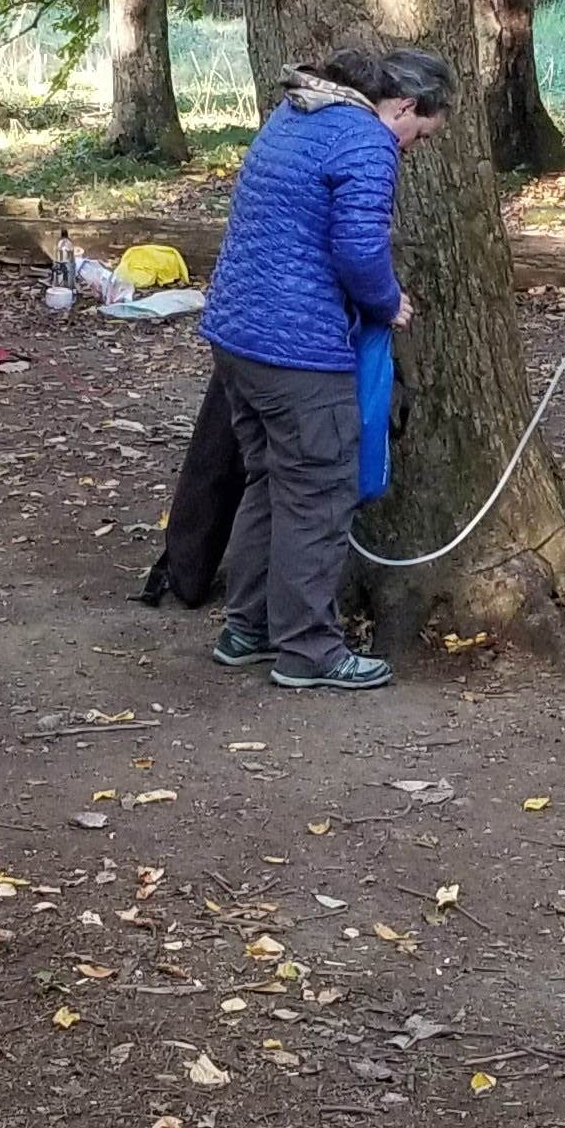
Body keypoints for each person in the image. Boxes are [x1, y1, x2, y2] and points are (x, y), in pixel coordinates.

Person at [195, 43, 456, 691]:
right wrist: (388, 302)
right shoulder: (366, 141)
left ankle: (248, 627)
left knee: (269, 482)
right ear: (403, 106)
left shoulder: (296, 113)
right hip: (298, 350)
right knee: (318, 491)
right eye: (421, 134)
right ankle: (309, 649)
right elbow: (359, 250)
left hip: (236, 335)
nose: (413, 148)